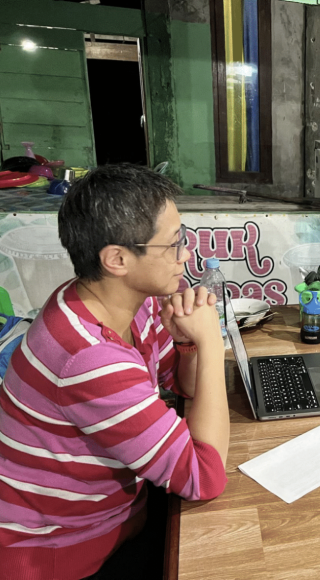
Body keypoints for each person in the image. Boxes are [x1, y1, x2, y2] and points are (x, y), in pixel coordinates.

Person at [0, 165, 230, 580]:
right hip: (62, 549)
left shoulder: (112, 300)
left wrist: (188, 344)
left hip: (118, 512)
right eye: (174, 244)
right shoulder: (88, 357)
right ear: (118, 259)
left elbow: (182, 383)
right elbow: (204, 477)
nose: (186, 255)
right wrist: (213, 342)